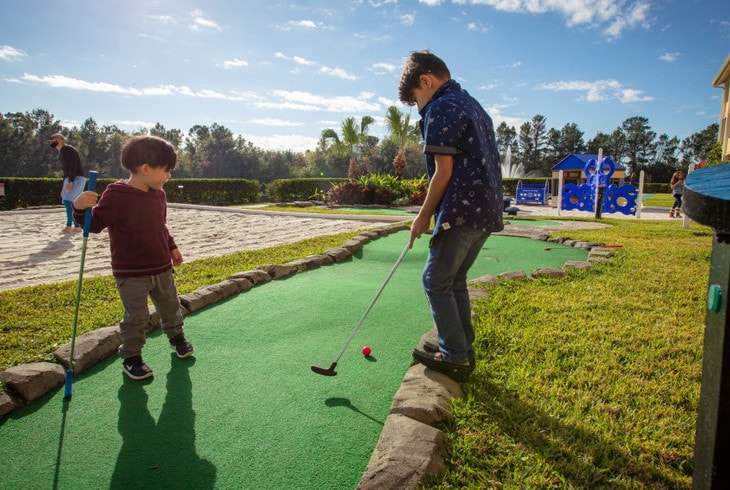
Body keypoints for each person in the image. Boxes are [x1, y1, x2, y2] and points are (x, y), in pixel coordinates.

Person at [399, 50, 503, 382]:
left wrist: (423, 216)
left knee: (435, 280)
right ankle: (461, 348)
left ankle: (455, 355)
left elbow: (443, 172)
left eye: (416, 101)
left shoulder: (441, 107)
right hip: (485, 209)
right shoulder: (471, 103)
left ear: (425, 81)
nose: (420, 109)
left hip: (461, 208)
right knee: (453, 280)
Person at [73, 135, 194, 381]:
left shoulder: (159, 195)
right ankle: (132, 358)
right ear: (146, 169)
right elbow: (94, 224)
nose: (169, 176)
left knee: (170, 306)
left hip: (161, 267)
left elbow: (161, 225)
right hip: (131, 273)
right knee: (136, 316)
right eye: (167, 170)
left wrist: (172, 246)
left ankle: (176, 338)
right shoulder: (116, 194)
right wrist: (78, 207)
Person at [50, 133, 86, 233]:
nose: (51, 141)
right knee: (69, 202)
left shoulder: (68, 149)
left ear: (61, 139)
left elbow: (73, 166)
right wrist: (63, 187)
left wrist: (71, 181)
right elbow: (66, 171)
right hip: (71, 178)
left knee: (68, 202)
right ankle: (77, 226)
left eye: (53, 139)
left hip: (76, 178)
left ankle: (70, 226)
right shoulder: (62, 152)